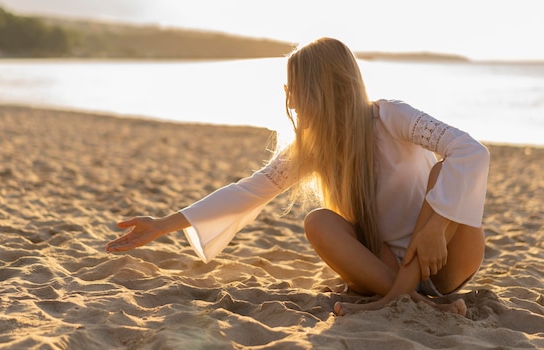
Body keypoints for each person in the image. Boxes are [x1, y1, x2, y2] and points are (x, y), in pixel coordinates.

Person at [105, 37, 489, 316]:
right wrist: (162, 225)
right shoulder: (314, 147)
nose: (288, 99)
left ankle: (397, 299)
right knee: (318, 221)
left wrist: (436, 228)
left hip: (445, 254)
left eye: (295, 88)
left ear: (322, 88)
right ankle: (413, 300)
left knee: (445, 168)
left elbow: (471, 151)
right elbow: (249, 191)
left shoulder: (392, 117)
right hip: (381, 264)